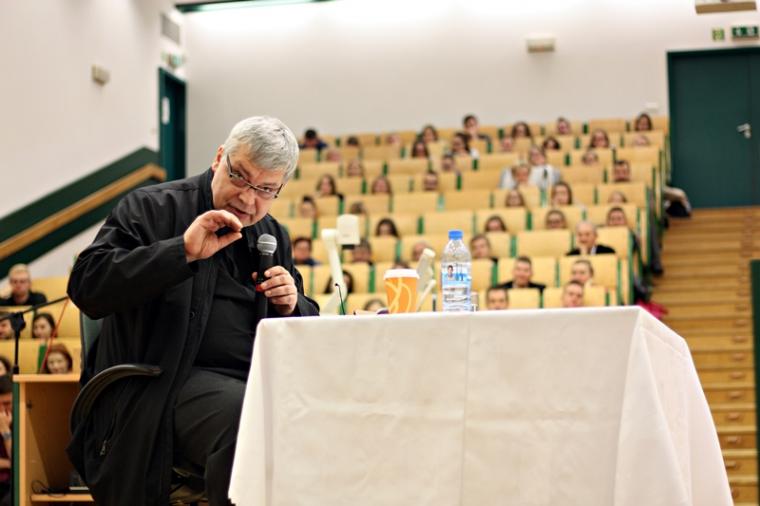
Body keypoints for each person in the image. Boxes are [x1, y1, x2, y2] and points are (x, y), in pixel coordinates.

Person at [66, 116, 320, 506]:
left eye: (265, 189)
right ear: (219, 158)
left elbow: (302, 330)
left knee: (321, 416)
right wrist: (180, 251)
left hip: (248, 382)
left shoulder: (272, 235)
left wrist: (292, 305)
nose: (248, 199)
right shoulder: (151, 208)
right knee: (248, 419)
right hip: (160, 385)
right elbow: (87, 285)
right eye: (240, 177)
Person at [0, 376, 12, 505]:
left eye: (7, 403)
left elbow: (17, 461)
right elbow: (15, 462)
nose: (3, 410)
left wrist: (6, 432)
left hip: (13, 483)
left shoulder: (24, 421)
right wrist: (9, 463)